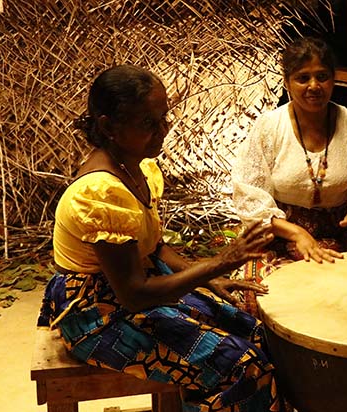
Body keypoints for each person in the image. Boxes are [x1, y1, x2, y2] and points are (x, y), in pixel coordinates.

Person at [37, 64, 283, 412]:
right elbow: (134, 295)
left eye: (163, 118)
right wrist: (218, 263)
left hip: (135, 288)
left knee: (259, 333)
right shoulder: (100, 192)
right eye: (148, 123)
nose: (163, 130)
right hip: (97, 313)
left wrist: (207, 278)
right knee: (246, 367)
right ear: (108, 127)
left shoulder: (135, 167)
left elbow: (155, 248)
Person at [232, 36, 347, 264]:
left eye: (322, 77)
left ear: (333, 79)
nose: (314, 86)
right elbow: (249, 194)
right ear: (287, 82)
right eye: (303, 78)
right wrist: (297, 233)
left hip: (334, 242)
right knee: (279, 286)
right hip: (274, 241)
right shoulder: (270, 126)